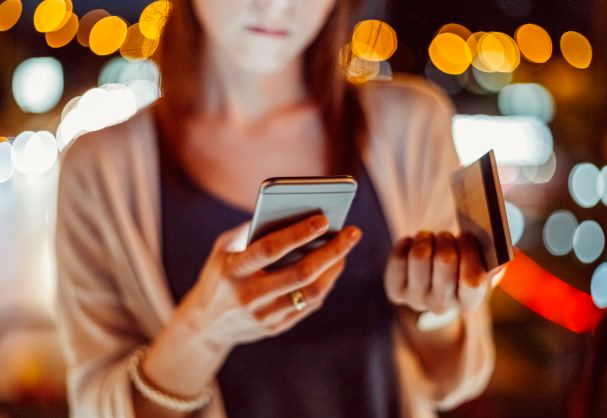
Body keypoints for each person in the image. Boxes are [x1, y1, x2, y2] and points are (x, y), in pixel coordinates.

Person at [55, 1, 499, 417]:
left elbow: (455, 381)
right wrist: (203, 330)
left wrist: (436, 307)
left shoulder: (413, 125)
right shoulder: (99, 171)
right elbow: (95, 404)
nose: (275, 6)